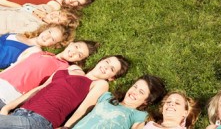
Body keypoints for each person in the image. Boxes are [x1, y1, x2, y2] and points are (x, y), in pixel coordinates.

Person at [0, 55, 129, 129]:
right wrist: (8, 107)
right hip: (21, 112)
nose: (106, 67)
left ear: (112, 77)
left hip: (41, 120)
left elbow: (84, 109)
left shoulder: (100, 84)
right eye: (107, 61)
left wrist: (66, 128)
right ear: (101, 60)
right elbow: (39, 89)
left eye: (111, 69)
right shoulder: (70, 69)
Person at [0, 40, 98, 108]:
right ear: (71, 44)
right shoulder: (42, 52)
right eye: (76, 47)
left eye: (79, 55)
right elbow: (15, 66)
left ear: (78, 61)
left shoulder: (65, 69)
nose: (74, 52)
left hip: (11, 93)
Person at [73, 75, 167, 128]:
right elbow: (82, 112)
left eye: (141, 92)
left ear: (146, 101)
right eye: (135, 86)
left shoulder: (139, 115)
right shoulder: (107, 97)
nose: (134, 92)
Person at [0, 24, 75, 68]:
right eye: (49, 32)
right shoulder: (21, 34)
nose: (47, 37)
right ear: (45, 29)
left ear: (54, 45)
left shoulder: (35, 51)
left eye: (52, 39)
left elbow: (15, 68)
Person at [132, 91, 200, 129]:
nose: (171, 104)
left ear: (185, 113)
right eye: (168, 102)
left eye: (177, 103)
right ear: (162, 110)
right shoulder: (148, 124)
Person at [0, 4, 79, 35]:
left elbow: (10, 33)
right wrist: (35, 10)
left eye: (58, 20)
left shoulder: (36, 26)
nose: (55, 15)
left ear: (56, 26)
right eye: (59, 13)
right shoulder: (44, 8)